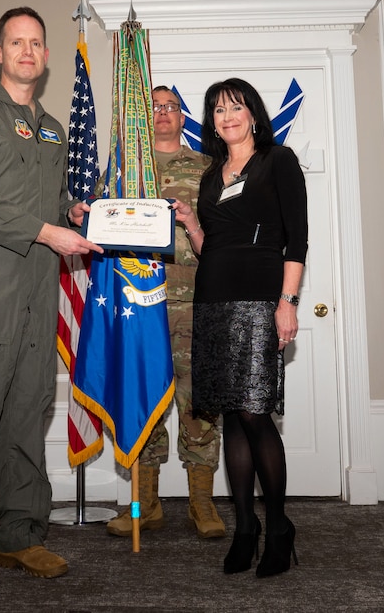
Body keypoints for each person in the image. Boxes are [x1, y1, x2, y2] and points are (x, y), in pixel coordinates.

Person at [0, 6, 103, 602]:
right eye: (16, 42)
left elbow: (51, 204)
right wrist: (49, 231)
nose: (27, 51)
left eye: (36, 43)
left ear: (47, 56)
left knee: (27, 421)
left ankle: (20, 535)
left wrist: (74, 216)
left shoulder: (55, 129)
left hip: (38, 297)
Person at [172, 77, 307, 578]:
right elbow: (217, 246)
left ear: (253, 113)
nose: (226, 116)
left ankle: (278, 528)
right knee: (231, 415)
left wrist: (287, 302)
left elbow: (297, 240)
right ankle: (245, 528)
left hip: (259, 302)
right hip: (213, 301)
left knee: (255, 414)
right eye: (217, 110)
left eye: (235, 107)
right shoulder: (211, 175)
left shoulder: (279, 160)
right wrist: (191, 223)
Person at [105, 86, 225, 540]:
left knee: (199, 407)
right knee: (146, 405)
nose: (163, 114)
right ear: (143, 116)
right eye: (154, 107)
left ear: (182, 116)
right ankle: (146, 505)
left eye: (171, 107)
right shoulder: (124, 169)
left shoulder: (207, 169)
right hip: (141, 308)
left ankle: (202, 504)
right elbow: (98, 221)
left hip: (197, 305)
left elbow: (223, 237)